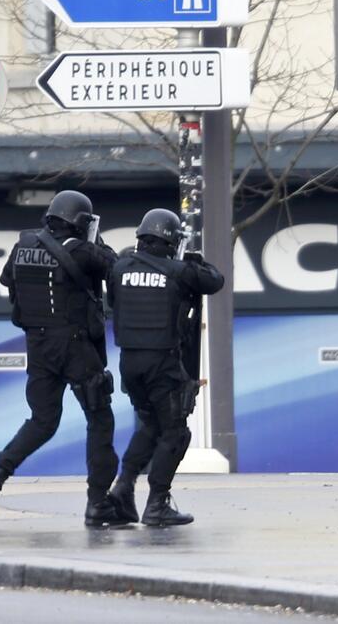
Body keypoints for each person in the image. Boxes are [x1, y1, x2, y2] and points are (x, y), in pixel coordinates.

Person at [0, 190, 128, 527]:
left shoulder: (24, 245)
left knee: (42, 421)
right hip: (75, 347)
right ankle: (97, 503)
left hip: (38, 346)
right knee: (100, 418)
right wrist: (96, 240)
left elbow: (7, 279)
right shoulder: (84, 251)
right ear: (81, 222)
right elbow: (116, 270)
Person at [105, 209, 224, 526]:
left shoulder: (118, 269)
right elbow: (215, 281)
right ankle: (157, 503)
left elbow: (114, 304)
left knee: (150, 425)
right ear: (171, 241)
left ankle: (123, 486)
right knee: (176, 432)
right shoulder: (177, 271)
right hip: (162, 364)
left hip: (130, 364)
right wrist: (195, 262)